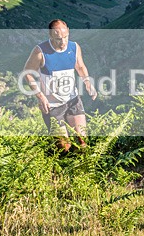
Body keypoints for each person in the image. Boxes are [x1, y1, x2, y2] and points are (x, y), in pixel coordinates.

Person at [23, 19, 97, 150]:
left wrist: (88, 83)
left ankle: (82, 169)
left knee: (82, 142)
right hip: (52, 106)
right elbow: (27, 74)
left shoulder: (74, 47)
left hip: (72, 100)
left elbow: (80, 66)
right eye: (58, 39)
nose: (63, 42)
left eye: (65, 37)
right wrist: (41, 97)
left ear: (68, 31)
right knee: (64, 148)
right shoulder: (40, 51)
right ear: (50, 35)